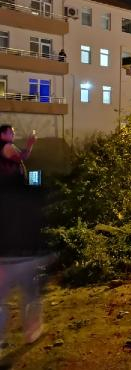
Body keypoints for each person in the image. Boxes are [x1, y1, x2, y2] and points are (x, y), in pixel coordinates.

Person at [0, 125, 47, 348]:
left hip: (4, 256)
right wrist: (29, 145)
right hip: (23, 256)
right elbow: (21, 156)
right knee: (30, 294)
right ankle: (32, 332)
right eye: (11, 132)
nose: (13, 136)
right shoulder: (7, 148)